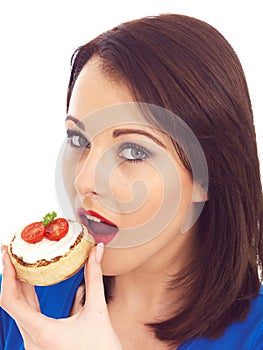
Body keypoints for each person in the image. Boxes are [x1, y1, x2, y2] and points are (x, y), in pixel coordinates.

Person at [0, 13, 262, 350]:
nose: (85, 181)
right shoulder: (19, 304)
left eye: (133, 151)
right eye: (79, 140)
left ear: (208, 175)